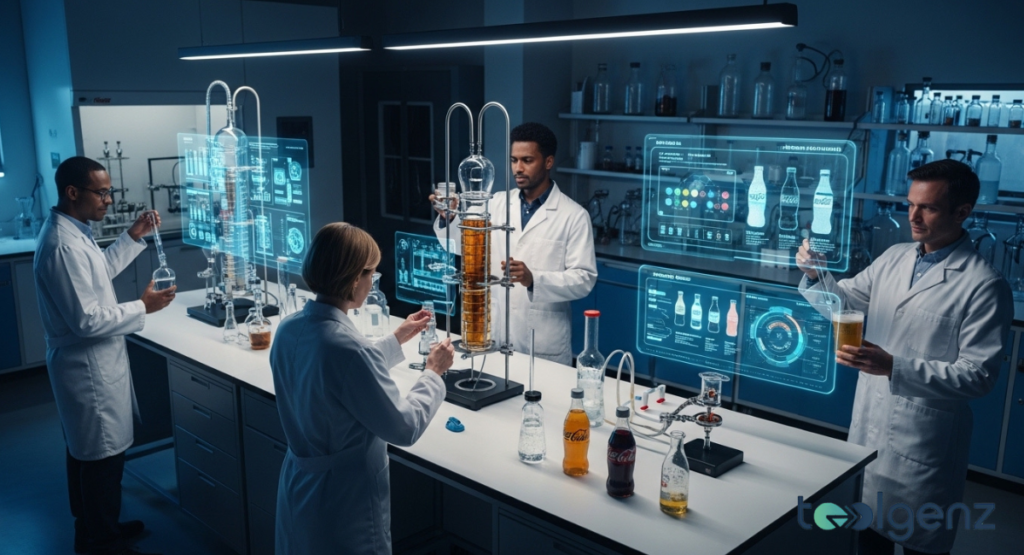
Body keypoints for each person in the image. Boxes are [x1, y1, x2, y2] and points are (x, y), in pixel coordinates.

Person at [796, 159, 1012, 555]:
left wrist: (894, 366)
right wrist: (816, 275)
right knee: (866, 536)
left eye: (927, 207)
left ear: (962, 212)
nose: (912, 216)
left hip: (927, 441)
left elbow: (979, 376)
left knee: (920, 542)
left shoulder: (984, 285)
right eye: (910, 203)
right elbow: (843, 304)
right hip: (870, 426)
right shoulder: (894, 258)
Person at [271, 222, 456, 555]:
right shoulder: (347, 350)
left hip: (301, 489)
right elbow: (405, 427)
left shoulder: (289, 329)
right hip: (344, 503)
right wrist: (433, 373)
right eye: (371, 273)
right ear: (354, 277)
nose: (372, 282)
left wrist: (397, 338)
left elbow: (339, 374)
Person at [34, 156, 176, 555]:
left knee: (87, 452)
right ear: (72, 192)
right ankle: (102, 541)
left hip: (92, 364)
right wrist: (142, 307)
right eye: (102, 192)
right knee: (99, 459)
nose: (109, 200)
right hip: (86, 368)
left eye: (110, 191)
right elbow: (86, 319)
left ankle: (97, 528)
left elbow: (96, 275)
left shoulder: (74, 232)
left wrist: (133, 236)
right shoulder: (62, 245)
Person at [431, 122, 597, 365]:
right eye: (513, 160)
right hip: (496, 336)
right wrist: (450, 217)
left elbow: (584, 279)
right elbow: (457, 243)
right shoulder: (495, 204)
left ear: (548, 162)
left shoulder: (573, 215)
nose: (518, 168)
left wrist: (534, 279)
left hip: (543, 344)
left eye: (527, 160)